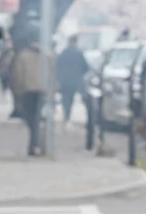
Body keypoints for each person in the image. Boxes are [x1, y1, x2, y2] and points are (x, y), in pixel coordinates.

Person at [9, 25, 56, 156]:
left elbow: (18, 75)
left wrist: (17, 92)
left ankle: (34, 145)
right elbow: (52, 76)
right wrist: (52, 92)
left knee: (31, 118)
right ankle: (35, 144)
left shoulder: (22, 55)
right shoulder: (47, 56)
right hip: (42, 91)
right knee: (36, 117)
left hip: (27, 91)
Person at [57, 34, 91, 125]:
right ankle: (89, 119)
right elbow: (86, 67)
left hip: (65, 81)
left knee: (66, 100)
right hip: (76, 80)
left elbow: (58, 66)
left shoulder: (64, 52)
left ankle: (66, 117)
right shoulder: (79, 53)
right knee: (84, 99)